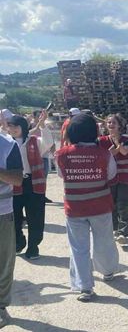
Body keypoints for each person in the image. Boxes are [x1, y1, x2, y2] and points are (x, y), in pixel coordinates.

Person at [56, 114, 119, 302]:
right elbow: (111, 175)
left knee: (79, 248)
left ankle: (85, 287)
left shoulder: (62, 154)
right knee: (104, 240)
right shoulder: (104, 153)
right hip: (101, 206)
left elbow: (61, 175)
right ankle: (107, 272)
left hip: (75, 209)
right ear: (95, 131)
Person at [7, 112, 52, 260]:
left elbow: (48, 142)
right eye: (10, 126)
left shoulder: (34, 141)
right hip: (14, 183)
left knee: (35, 217)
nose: (12, 130)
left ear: (23, 127)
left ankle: (33, 247)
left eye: (15, 127)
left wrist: (43, 124)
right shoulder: (7, 143)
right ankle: (19, 242)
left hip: (33, 183)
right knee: (14, 217)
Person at [98, 114, 128, 245]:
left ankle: (123, 231)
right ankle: (114, 229)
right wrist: (111, 152)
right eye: (108, 123)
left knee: (123, 204)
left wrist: (117, 143)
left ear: (119, 125)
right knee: (110, 204)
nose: (110, 125)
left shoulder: (127, 139)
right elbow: (102, 156)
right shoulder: (101, 141)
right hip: (109, 178)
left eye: (113, 123)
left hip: (124, 178)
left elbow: (124, 152)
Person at [0, 133, 24, 329]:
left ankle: (0, 307)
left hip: (1, 213)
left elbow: (17, 179)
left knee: (3, 263)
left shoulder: (8, 144)